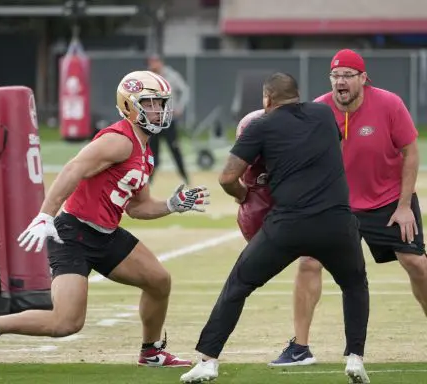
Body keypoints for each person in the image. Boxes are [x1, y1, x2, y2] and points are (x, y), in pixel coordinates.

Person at [0, 70, 210, 371]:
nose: (158, 110)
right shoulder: (119, 140)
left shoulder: (145, 151)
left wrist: (173, 205)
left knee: (159, 281)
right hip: (74, 235)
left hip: (106, 235)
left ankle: (151, 351)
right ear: (130, 106)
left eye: (161, 104)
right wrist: (46, 213)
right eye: (150, 103)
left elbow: (138, 207)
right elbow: (73, 168)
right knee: (66, 322)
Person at [180, 72, 370, 384]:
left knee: (238, 286)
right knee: (354, 285)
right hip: (337, 222)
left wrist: (246, 195)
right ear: (298, 95)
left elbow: (227, 178)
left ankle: (207, 361)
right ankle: (355, 358)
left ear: (267, 100)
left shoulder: (260, 125)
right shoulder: (324, 113)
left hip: (289, 224)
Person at [270, 49, 426, 368]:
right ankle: (299, 347)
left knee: (416, 262)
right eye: (336, 76)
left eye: (348, 76)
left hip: (389, 201)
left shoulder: (389, 104)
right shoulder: (318, 110)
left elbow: (411, 152)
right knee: (309, 261)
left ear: (363, 79)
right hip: (338, 206)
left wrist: (405, 206)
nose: (341, 81)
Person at [147, 54, 190, 185]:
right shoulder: (148, 78)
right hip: (153, 120)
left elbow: (185, 90)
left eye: (155, 62)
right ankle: (149, 181)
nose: (153, 65)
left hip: (168, 120)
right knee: (153, 152)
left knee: (174, 149)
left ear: (160, 62)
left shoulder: (171, 75)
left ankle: (185, 178)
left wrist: (179, 108)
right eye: (151, 62)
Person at [235, 109, 273, 242]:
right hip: (302, 206)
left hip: (258, 211)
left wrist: (240, 193)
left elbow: (227, 179)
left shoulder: (252, 123)